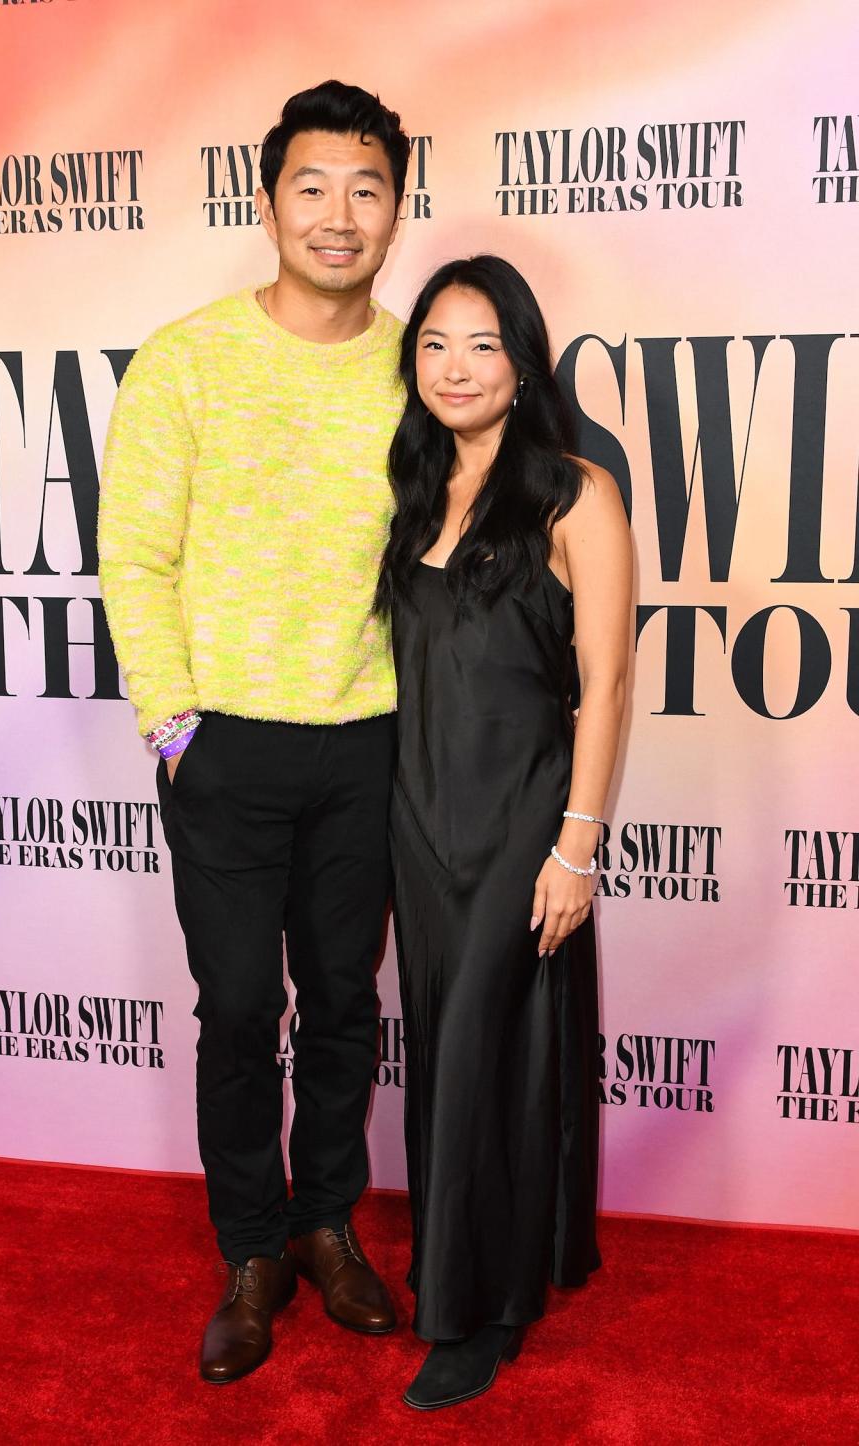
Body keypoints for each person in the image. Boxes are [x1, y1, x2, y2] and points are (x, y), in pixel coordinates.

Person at [97, 80, 411, 1384]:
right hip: (223, 742)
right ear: (268, 198)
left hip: (371, 736)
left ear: (398, 206)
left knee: (344, 1000)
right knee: (239, 1006)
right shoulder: (187, 358)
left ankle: (327, 1220)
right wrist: (179, 730)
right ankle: (251, 1250)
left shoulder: (421, 365)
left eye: (368, 189)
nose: (341, 217)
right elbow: (135, 553)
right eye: (314, 187)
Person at [375, 255, 632, 1410]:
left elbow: (610, 683)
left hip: (526, 815)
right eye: (433, 342)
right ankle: (492, 1254)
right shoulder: (416, 489)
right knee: (447, 1046)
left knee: (489, 1042)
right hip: (419, 816)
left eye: (481, 344)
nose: (455, 366)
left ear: (525, 362)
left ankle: (480, 1311)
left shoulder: (577, 493)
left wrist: (577, 846)